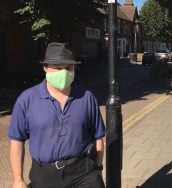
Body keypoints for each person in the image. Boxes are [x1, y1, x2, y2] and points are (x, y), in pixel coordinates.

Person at [8, 42, 105, 188]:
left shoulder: (86, 97)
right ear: (45, 68)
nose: (64, 73)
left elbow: (98, 136)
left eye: (68, 68)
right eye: (58, 68)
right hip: (44, 175)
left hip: (82, 172)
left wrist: (97, 167)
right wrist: (17, 179)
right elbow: (16, 140)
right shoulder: (27, 99)